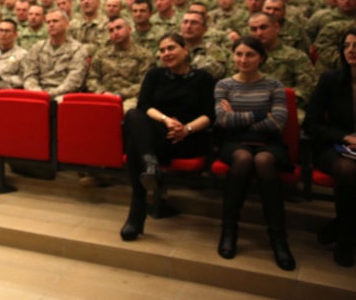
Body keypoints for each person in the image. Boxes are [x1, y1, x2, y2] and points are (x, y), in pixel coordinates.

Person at [120, 34, 214, 241]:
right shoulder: (155, 75)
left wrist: (186, 129)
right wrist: (166, 120)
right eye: (162, 50)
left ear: (185, 50)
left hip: (188, 138)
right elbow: (144, 106)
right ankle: (151, 166)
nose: (166, 54)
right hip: (160, 133)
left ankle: (136, 215)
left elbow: (210, 115)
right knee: (133, 115)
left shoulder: (203, 78)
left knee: (134, 146)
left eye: (171, 48)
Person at [213, 36, 296, 271]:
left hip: (270, 144)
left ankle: (278, 238)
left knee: (263, 159)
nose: (243, 59)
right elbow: (222, 120)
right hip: (234, 143)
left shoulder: (274, 86)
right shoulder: (224, 85)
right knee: (243, 157)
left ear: (261, 58)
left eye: (250, 54)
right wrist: (261, 115)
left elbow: (278, 123)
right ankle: (229, 231)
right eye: (239, 54)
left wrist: (238, 117)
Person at [303, 28, 356, 267]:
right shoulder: (330, 80)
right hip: (333, 147)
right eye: (346, 46)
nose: (351, 51)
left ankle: (339, 225)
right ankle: (347, 238)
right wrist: (346, 137)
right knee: (347, 169)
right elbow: (311, 123)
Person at [88, 17, 156, 113]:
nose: (115, 32)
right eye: (111, 30)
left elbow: (145, 84)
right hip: (104, 96)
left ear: (130, 29)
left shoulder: (144, 55)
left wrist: (119, 95)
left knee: (123, 111)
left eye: (119, 28)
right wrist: (102, 92)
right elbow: (92, 78)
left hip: (131, 97)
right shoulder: (101, 54)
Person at [22, 10, 88, 99]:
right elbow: (30, 75)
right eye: (48, 22)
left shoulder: (77, 49)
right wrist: (36, 91)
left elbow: (74, 81)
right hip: (39, 93)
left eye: (55, 21)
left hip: (64, 94)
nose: (51, 24)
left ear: (67, 24)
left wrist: (49, 94)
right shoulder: (37, 47)